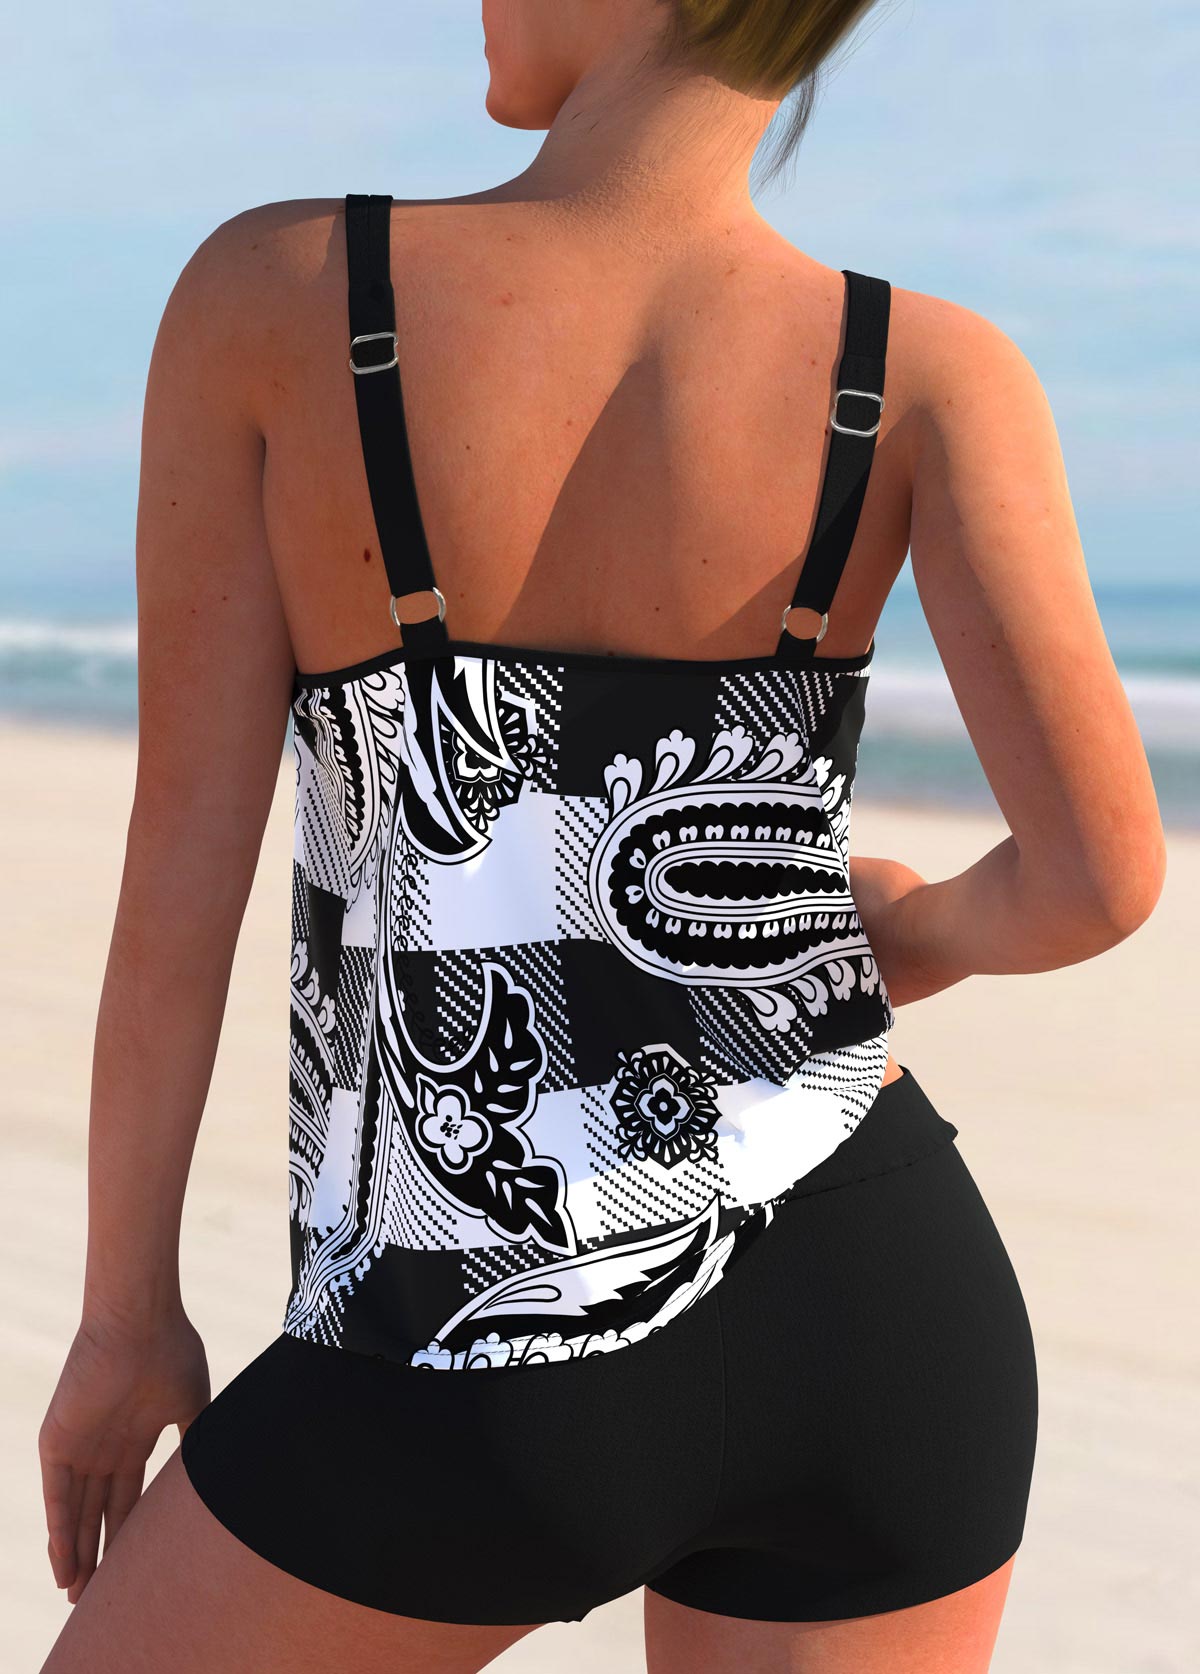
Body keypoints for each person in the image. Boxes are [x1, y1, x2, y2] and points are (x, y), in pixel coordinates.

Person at [37, 3, 1165, 1671]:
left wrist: (126, 1313)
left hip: (464, 1321)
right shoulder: (929, 368)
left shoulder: (280, 297)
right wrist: (909, 928)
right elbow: (1099, 875)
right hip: (879, 1304)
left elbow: (181, 877)